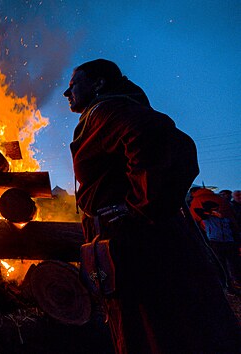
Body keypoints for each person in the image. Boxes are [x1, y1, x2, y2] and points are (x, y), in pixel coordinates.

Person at [64, 59, 241, 353]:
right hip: (133, 243)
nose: (67, 93)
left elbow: (166, 142)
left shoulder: (108, 110)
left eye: (73, 85)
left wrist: (137, 206)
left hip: (140, 245)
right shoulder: (104, 111)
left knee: (158, 329)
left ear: (98, 84)